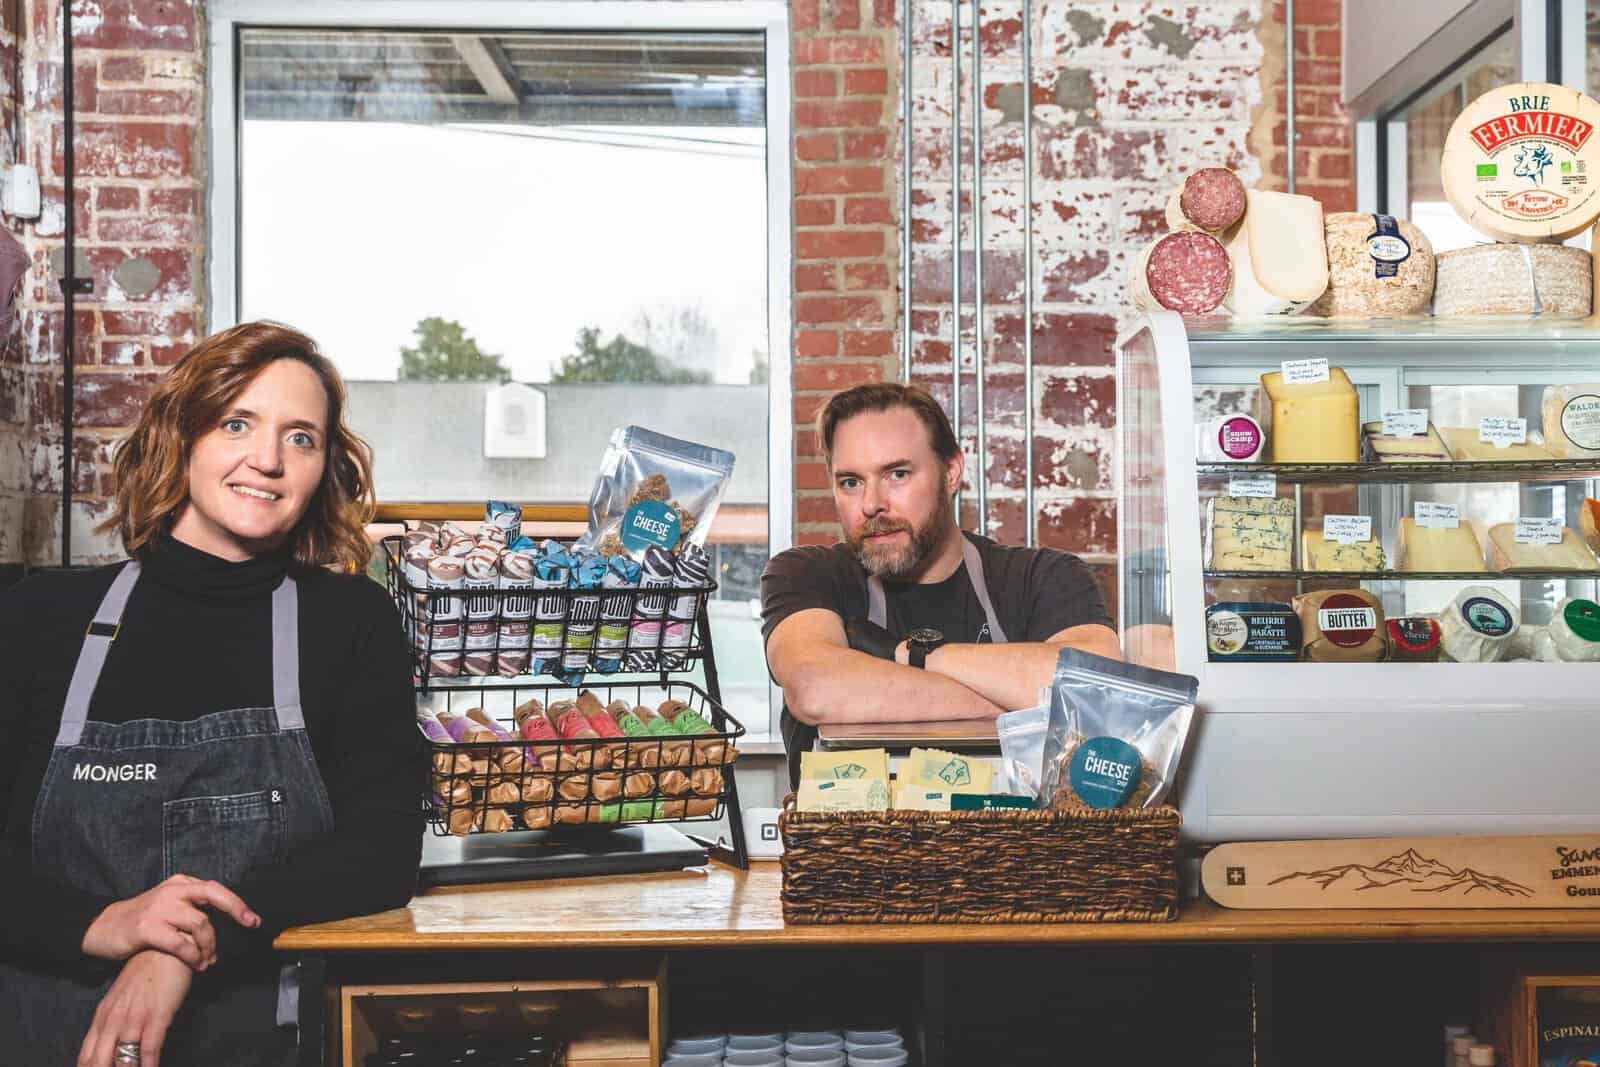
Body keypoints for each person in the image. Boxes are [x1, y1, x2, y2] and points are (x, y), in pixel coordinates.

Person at [0, 322, 426, 1066]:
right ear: (183, 435)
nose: (267, 459)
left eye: (301, 438)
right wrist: (108, 924)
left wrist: (183, 945)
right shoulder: (41, 618)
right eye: (238, 423)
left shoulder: (351, 621)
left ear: (324, 465)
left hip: (263, 1037)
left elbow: (381, 851)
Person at [762, 382, 1122, 785]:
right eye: (850, 482)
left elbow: (1096, 688)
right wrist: (1029, 699)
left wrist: (912, 656)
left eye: (897, 474)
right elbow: (815, 688)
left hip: (1021, 847)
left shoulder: (1040, 577)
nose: (871, 504)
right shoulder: (809, 574)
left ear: (951, 472)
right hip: (853, 846)